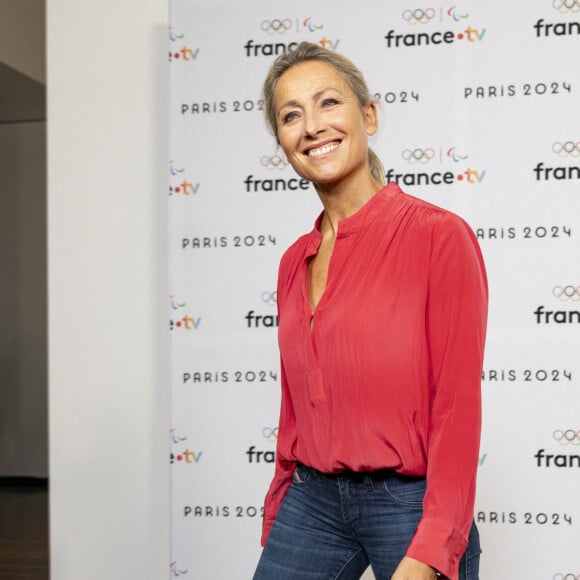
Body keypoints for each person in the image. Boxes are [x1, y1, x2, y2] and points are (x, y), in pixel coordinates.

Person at [253, 42, 487, 580]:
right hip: (312, 501)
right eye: (292, 116)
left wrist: (433, 545)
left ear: (369, 115)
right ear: (284, 143)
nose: (312, 126)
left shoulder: (436, 236)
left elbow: (456, 405)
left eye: (328, 103)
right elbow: (295, 407)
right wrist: (279, 512)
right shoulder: (295, 260)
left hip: (409, 503)